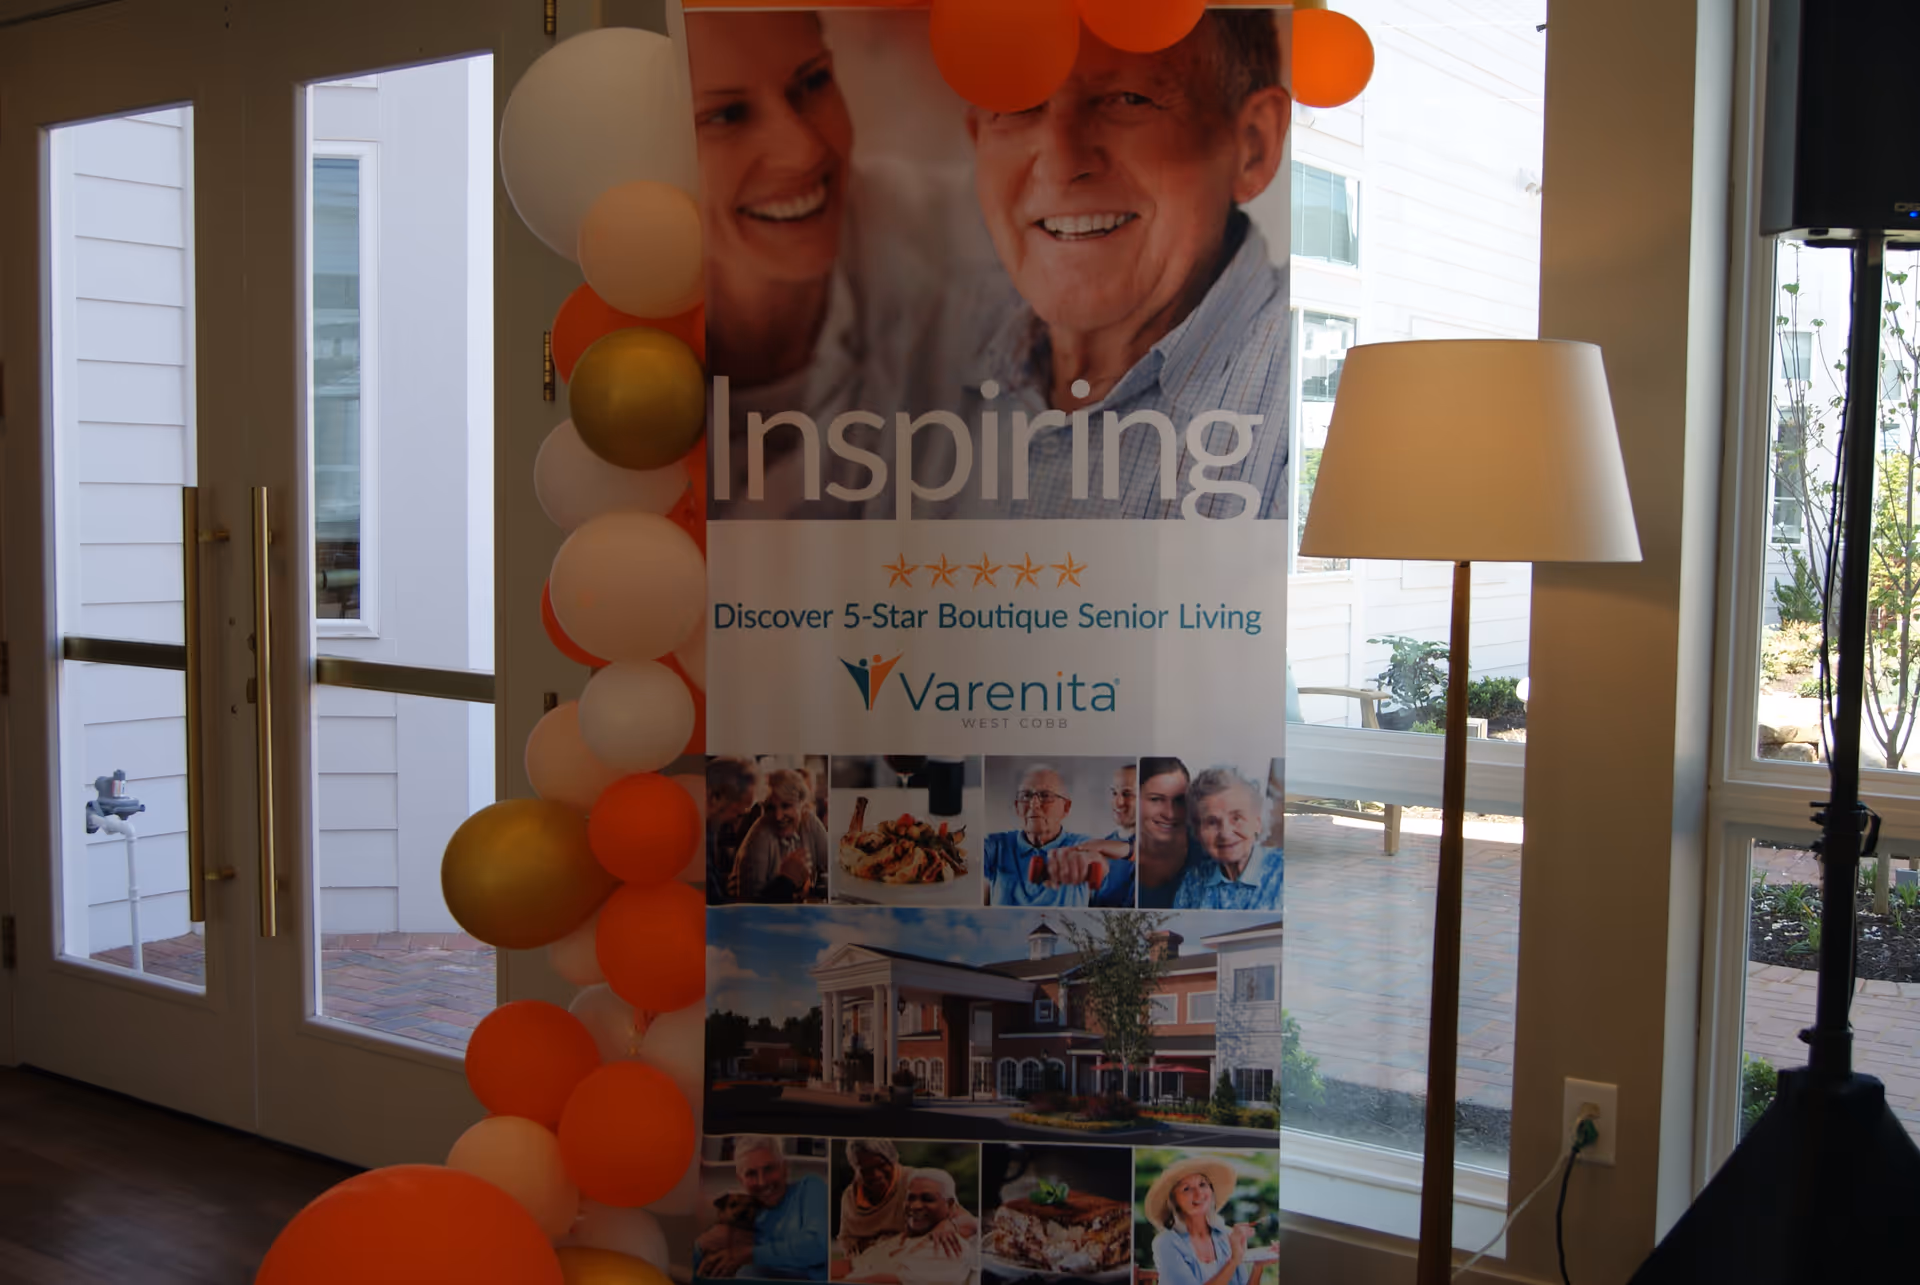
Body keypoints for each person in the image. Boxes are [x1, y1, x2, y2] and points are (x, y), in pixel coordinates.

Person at [904, 12, 1292, 520]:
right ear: (978, 139)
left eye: (1129, 99)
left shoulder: (1317, 399)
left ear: (1252, 146)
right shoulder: (915, 354)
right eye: (1017, 106)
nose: (1062, 163)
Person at [692, 13, 997, 520]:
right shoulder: (580, 359)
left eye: (812, 82)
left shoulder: (985, 255)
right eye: (727, 116)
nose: (805, 149)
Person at [982, 765, 1134, 907]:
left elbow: (1098, 861)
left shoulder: (1081, 843)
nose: (1034, 804)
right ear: (1017, 807)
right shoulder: (996, 845)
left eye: (1045, 795)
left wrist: (1089, 863)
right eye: (1026, 795)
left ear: (1066, 808)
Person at [702, 1136, 831, 1281]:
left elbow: (819, 1247)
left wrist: (750, 1254)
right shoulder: (744, 1215)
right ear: (741, 1180)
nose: (762, 1182)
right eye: (751, 1173)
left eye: (769, 1169)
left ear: (784, 1168)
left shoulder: (809, 1188)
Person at [837, 1169, 979, 1285]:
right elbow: (849, 1266)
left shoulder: (947, 1244)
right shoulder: (898, 1240)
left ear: (949, 1205)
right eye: (911, 1198)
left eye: (927, 1199)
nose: (915, 1206)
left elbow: (885, 1281)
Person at [1172, 768, 1283, 911]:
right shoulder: (1193, 880)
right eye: (1212, 822)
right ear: (1198, 832)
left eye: (1236, 818)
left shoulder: (1284, 871)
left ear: (1258, 822)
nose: (1225, 833)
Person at [1144, 1157, 1268, 1285]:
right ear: (1174, 1201)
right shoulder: (1166, 1242)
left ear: (1211, 1191)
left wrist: (1258, 1265)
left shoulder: (1228, 1236)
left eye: (1202, 1184)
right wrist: (1234, 1260)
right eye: (1187, 1189)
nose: (1199, 1194)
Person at [732, 768, 831, 903]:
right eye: (771, 808)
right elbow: (749, 904)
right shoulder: (759, 836)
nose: (778, 817)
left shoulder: (810, 823)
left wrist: (811, 889)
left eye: (786, 806)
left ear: (802, 805)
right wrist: (787, 881)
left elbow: (834, 875)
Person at [1136, 757, 1195, 909]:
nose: (1170, 814)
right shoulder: (1113, 856)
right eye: (1156, 799)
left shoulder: (1211, 856)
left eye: (1179, 801)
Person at [708, 756, 763, 905]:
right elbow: (715, 905)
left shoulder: (712, 828)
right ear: (715, 797)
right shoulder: (699, 832)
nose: (736, 822)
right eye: (738, 813)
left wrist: (722, 882)